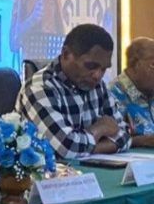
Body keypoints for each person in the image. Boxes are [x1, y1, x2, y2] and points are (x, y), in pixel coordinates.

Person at [16, 23, 130, 159]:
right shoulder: (39, 88)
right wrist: (99, 129)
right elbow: (66, 148)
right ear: (66, 54)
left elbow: (125, 135)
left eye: (104, 69)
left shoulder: (98, 86)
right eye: (91, 66)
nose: (97, 75)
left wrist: (85, 146)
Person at [109, 37, 154, 148]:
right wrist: (142, 141)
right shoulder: (111, 95)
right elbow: (105, 142)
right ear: (134, 63)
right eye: (153, 65)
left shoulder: (149, 90)